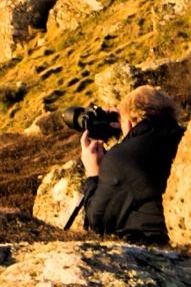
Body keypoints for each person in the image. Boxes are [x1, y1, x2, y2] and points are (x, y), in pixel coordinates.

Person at [73, 83, 181, 243]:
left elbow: (98, 222)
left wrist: (93, 175)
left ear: (129, 122)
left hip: (157, 247)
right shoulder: (184, 136)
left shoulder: (122, 158)